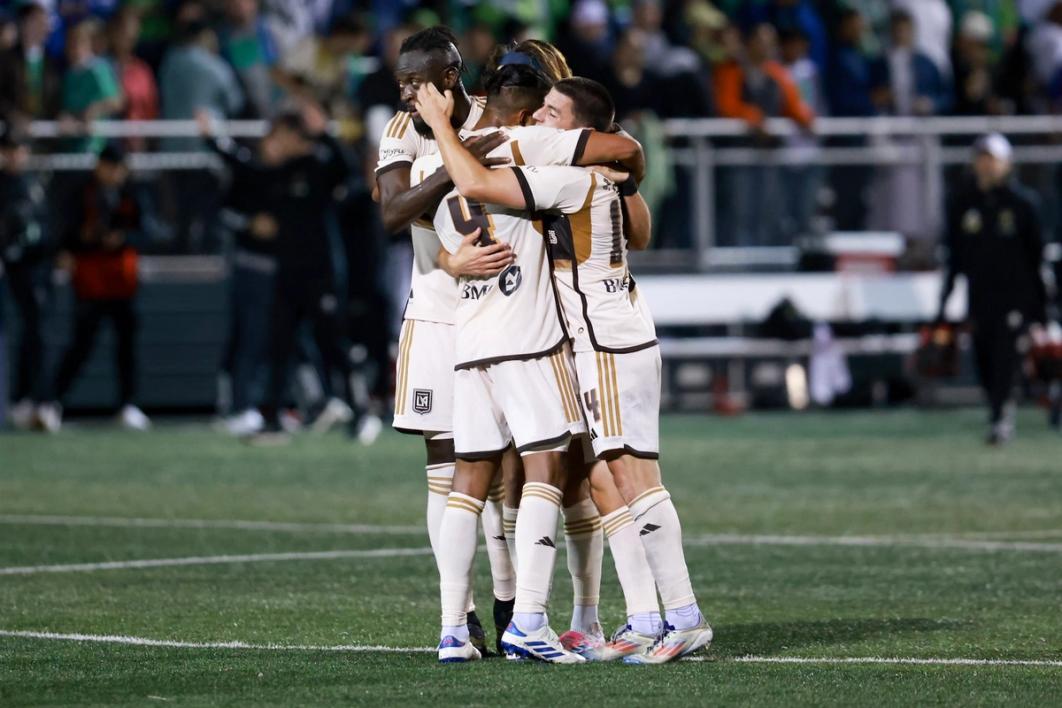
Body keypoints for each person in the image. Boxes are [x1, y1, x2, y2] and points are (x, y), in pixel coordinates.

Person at [243, 103, 369, 444]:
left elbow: (350, 171)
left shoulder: (318, 164)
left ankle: (361, 412)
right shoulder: (279, 172)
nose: (273, 141)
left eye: (279, 134)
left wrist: (325, 131)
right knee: (279, 345)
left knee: (334, 345)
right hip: (288, 274)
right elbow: (246, 179)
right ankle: (272, 420)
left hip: (321, 272)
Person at [938, 134, 1049, 445]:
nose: (986, 165)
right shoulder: (963, 204)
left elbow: (1036, 257)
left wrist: (1041, 305)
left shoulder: (1023, 204)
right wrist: (943, 304)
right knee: (984, 358)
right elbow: (955, 257)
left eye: (993, 159)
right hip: (980, 295)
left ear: (1007, 164)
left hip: (1015, 297)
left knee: (1005, 357)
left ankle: (1001, 417)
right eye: (982, 158)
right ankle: (999, 409)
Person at [46, 145, 150, 431]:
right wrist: (78, 242)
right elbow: (63, 231)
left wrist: (123, 238)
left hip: (123, 281)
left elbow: (150, 231)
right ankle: (52, 401)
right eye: (108, 167)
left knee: (126, 346)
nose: (113, 174)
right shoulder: (82, 193)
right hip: (91, 280)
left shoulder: (132, 194)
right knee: (81, 344)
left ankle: (127, 403)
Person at [197, 110, 279, 436]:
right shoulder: (252, 172)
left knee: (274, 341)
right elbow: (225, 213)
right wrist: (249, 224)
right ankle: (239, 406)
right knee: (248, 338)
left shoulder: (290, 173)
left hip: (280, 273)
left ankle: (272, 405)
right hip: (250, 268)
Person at [0, 122, 53, 431]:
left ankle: (39, 401)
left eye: (19, 150)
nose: (15, 156)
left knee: (37, 333)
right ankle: (17, 400)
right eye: (9, 150)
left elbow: (45, 225)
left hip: (34, 267)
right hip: (8, 266)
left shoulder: (34, 183)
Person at [0, 1, 62, 122]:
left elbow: (55, 99)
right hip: (12, 134)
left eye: (44, 22)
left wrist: (61, 115)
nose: (43, 27)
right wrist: (12, 115)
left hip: (45, 132)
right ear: (23, 23)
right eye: (36, 21)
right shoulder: (6, 59)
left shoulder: (53, 62)